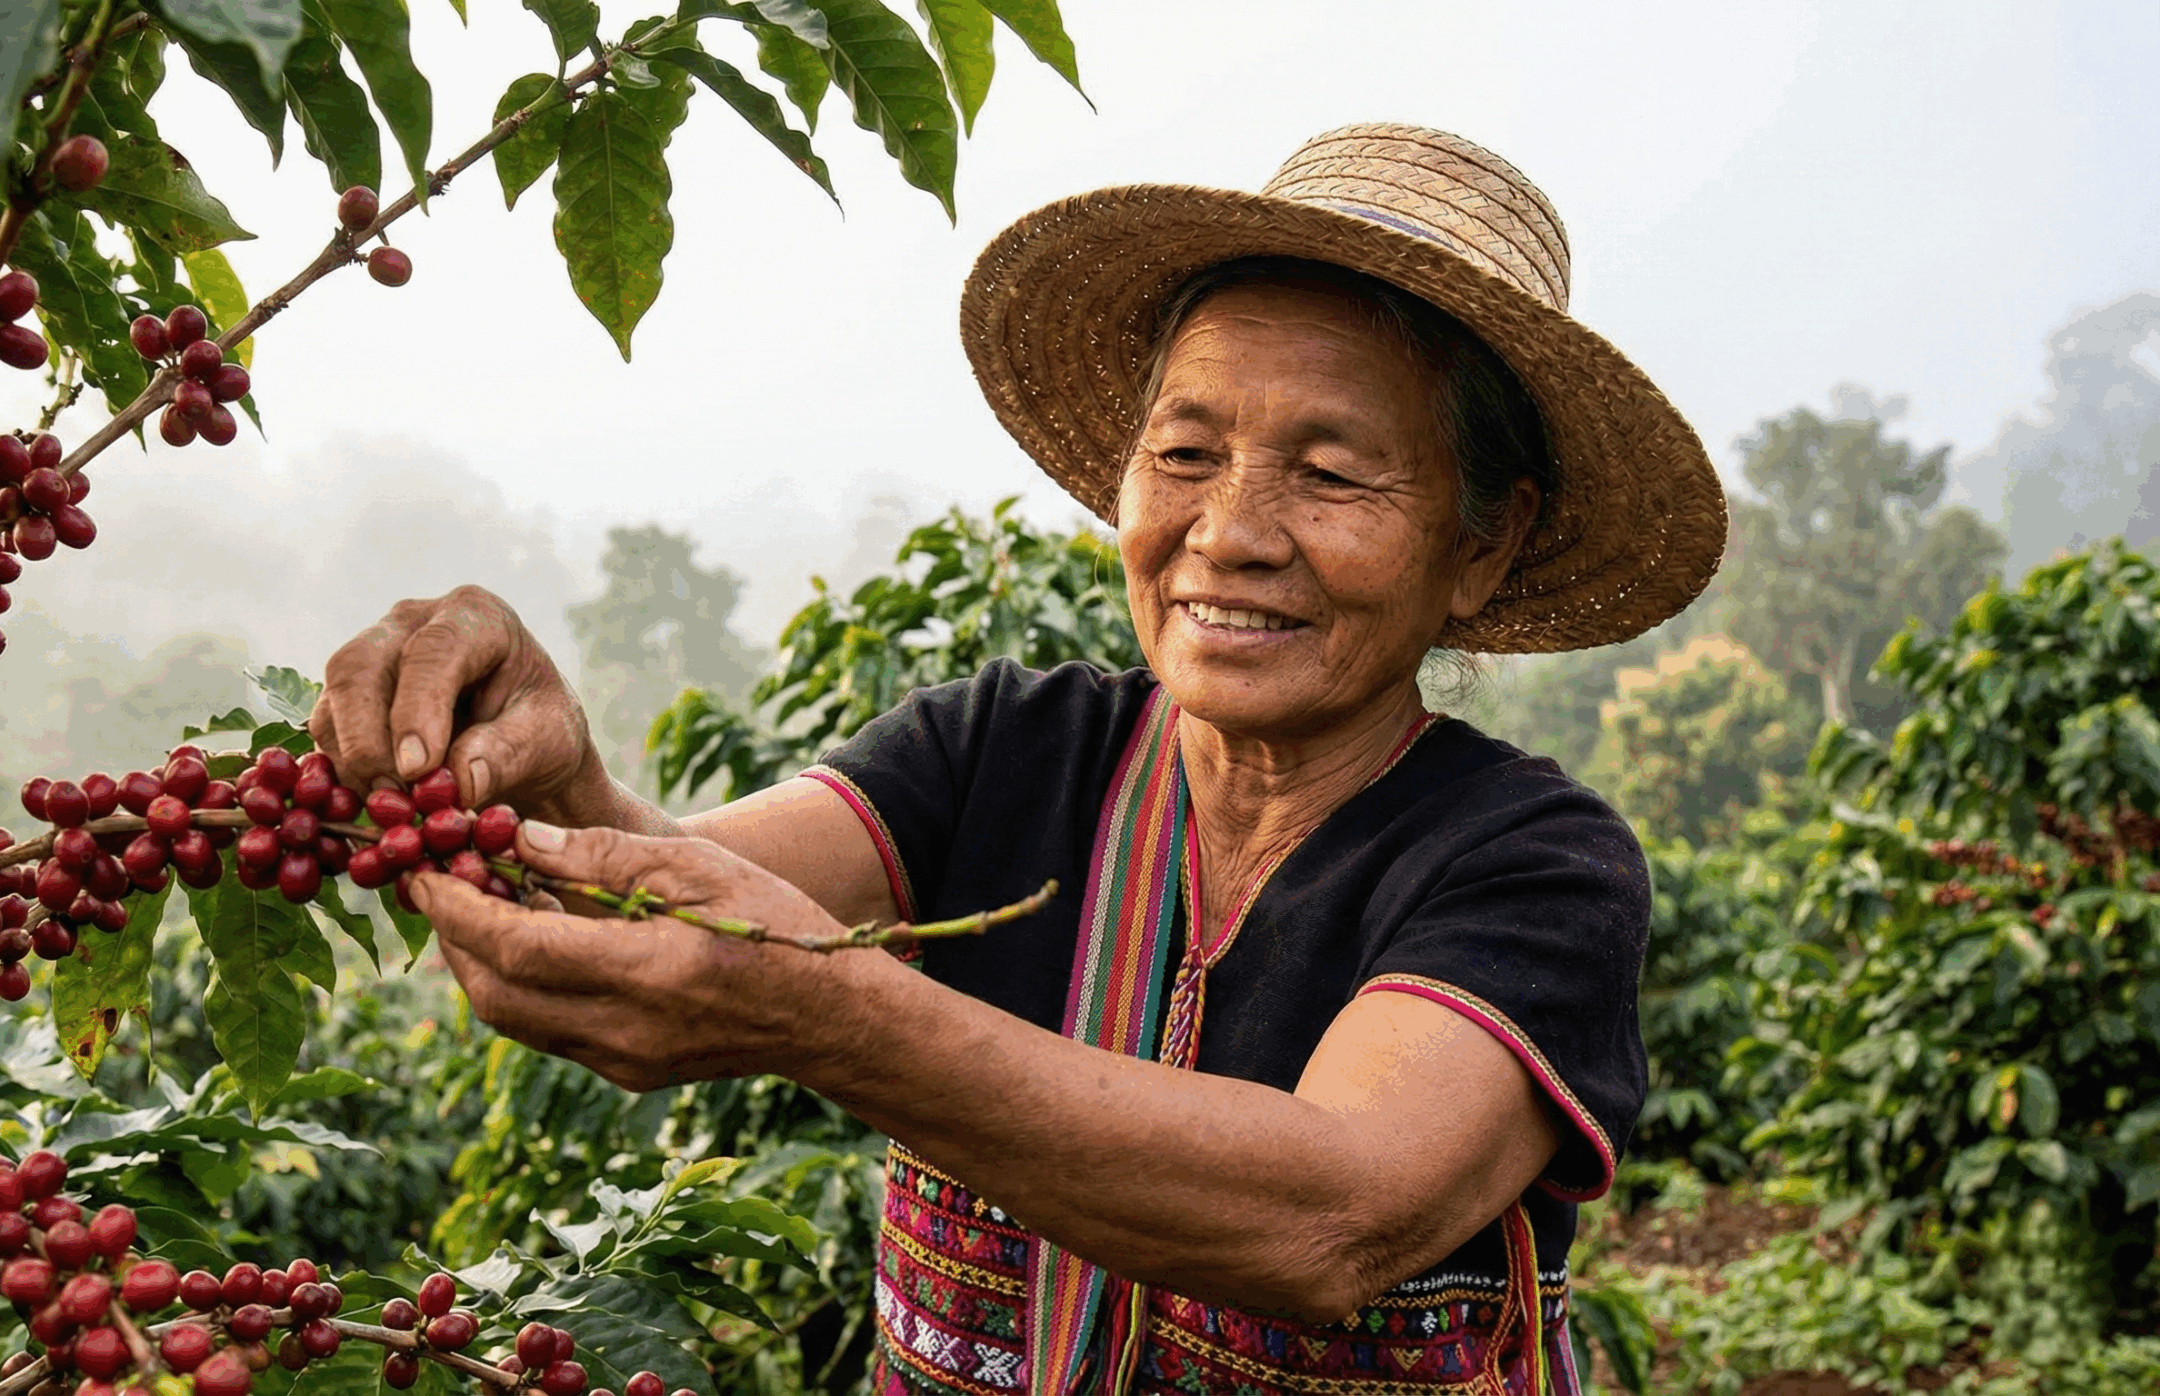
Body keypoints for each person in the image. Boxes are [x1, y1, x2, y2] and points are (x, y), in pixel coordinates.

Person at [313, 123, 1725, 1395]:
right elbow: (623, 922)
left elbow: (1330, 1214)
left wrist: (840, 1018)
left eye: (1335, 473)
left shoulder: (1532, 866)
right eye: (1185, 452)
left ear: (1482, 544)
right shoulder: (1002, 752)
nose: (1229, 532)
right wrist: (557, 782)